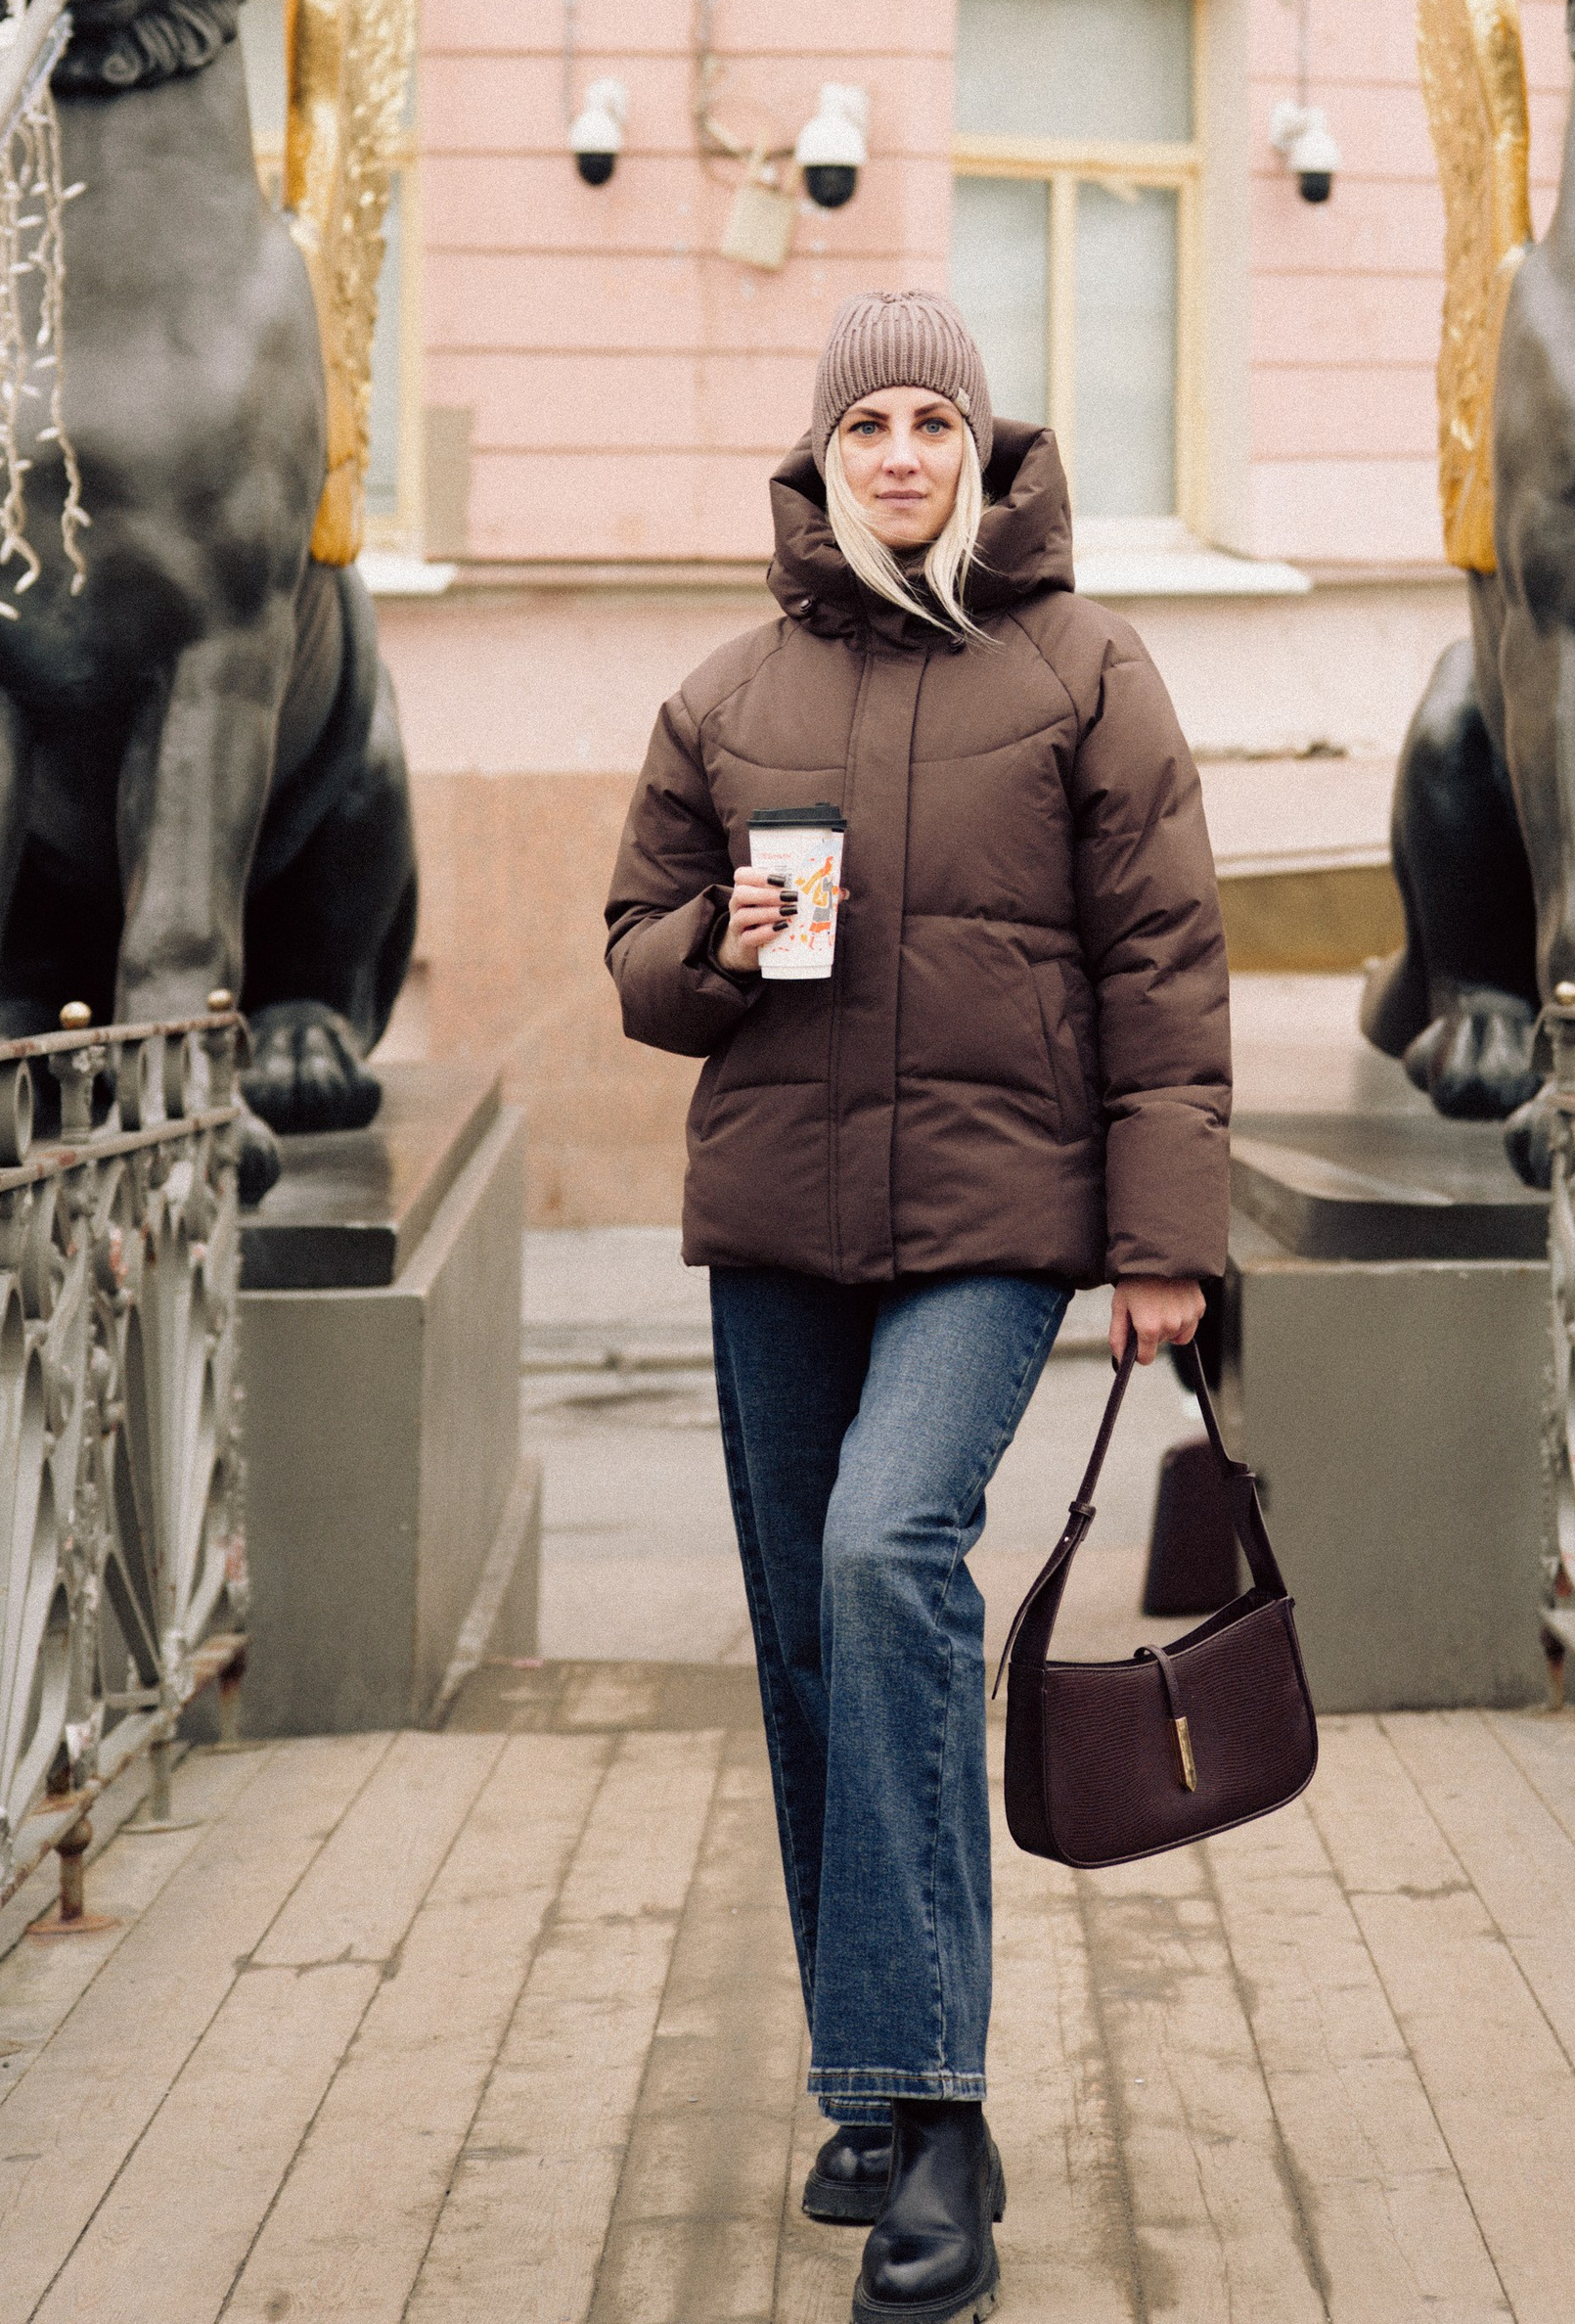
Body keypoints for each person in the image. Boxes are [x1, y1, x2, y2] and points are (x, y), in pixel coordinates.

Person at [607, 288, 1231, 2324]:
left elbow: (1164, 967)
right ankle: (862, 2079)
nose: (897, 453)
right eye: (863, 421)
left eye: (930, 422)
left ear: (980, 450)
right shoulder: (723, 696)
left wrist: (1163, 1241)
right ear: (818, 455)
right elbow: (637, 959)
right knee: (802, 1636)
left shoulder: (1082, 671)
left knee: (888, 1557)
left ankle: (938, 2110)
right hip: (778, 1212)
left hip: (991, 1216)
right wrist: (723, 938)